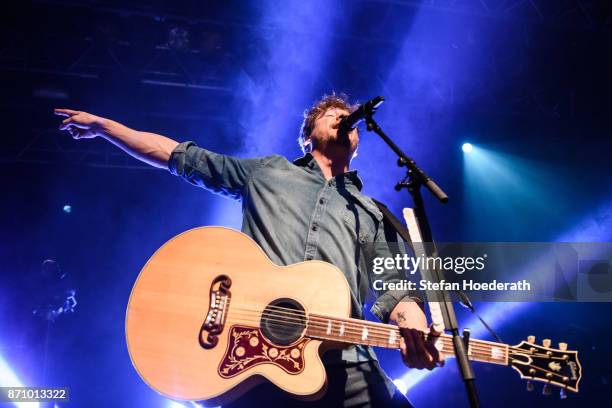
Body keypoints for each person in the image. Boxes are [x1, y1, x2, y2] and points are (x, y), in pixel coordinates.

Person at [54, 93, 444, 407]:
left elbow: (396, 291)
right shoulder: (268, 172)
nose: (344, 120)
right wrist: (105, 128)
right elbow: (181, 158)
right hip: (254, 356)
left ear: (358, 142)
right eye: (332, 115)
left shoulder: (371, 211)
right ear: (309, 136)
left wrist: (415, 329)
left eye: (349, 119)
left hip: (346, 365)